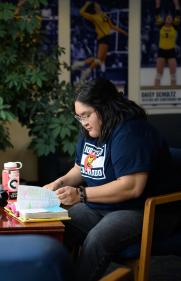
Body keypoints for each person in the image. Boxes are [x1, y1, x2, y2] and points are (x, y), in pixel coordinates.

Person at [44, 78, 180, 281]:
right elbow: (81, 168)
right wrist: (60, 182)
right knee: (59, 226)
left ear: (105, 108)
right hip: (103, 206)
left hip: (142, 209)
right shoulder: (90, 130)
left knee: (98, 238)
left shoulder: (131, 132)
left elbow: (131, 187)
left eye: (87, 115)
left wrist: (81, 194)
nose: (83, 122)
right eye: (79, 117)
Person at [72, 1, 128, 81]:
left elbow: (112, 26)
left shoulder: (104, 16)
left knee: (100, 61)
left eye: (98, 6)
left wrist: (124, 32)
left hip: (107, 38)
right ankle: (83, 67)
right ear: (95, 8)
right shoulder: (94, 17)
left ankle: (83, 67)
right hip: (103, 38)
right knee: (98, 59)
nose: (98, 7)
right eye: (96, 6)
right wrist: (87, 4)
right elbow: (81, 12)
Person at [154, 0, 180, 87]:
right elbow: (157, 14)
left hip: (171, 51)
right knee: (159, 74)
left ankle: (174, 93)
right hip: (161, 51)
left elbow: (178, 13)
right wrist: (158, 4)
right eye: (167, 18)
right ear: (165, 19)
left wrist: (176, 4)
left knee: (173, 75)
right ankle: (156, 91)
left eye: (170, 18)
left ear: (172, 19)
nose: (169, 18)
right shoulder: (161, 25)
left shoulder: (174, 26)